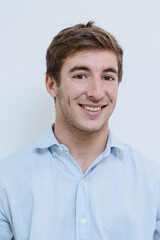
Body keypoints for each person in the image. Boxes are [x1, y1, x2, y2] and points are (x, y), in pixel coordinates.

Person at [0, 21, 160, 240]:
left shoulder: (153, 181)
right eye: (80, 75)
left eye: (107, 77)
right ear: (51, 84)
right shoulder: (6, 180)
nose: (96, 92)